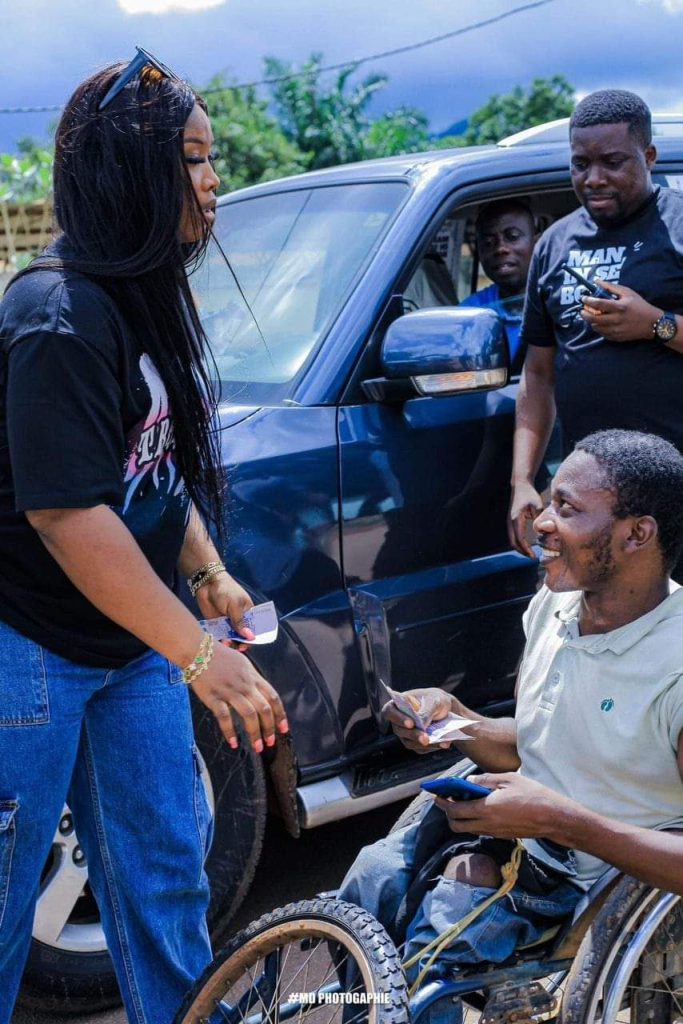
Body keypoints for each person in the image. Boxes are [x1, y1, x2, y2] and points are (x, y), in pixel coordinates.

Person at [0, 51, 287, 1024]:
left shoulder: (142, 292)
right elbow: (68, 514)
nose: (214, 182)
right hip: (28, 646)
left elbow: (151, 461)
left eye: (210, 158)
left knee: (168, 876)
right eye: (195, 160)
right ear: (131, 172)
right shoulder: (56, 317)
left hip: (130, 646)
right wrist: (200, 655)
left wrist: (202, 567)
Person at [339, 429, 683, 1020]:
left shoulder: (674, 664)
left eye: (567, 509)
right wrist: (457, 724)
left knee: (431, 959)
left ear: (637, 534)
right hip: (523, 832)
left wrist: (559, 820)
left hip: (591, 874)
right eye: (549, 501)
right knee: (367, 888)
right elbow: (541, 744)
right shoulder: (554, 605)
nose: (542, 522)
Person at [509, 89, 683, 566]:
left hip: (677, 489)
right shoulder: (553, 246)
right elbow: (538, 374)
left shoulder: (680, 225)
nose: (594, 179)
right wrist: (522, 478)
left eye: (612, 162)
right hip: (593, 500)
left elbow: (660, 327)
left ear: (649, 156)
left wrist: (657, 325)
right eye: (580, 164)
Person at [461, 198, 536, 370]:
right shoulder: (469, 314)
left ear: (537, 242)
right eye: (488, 243)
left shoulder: (562, 301)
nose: (500, 248)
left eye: (513, 237)